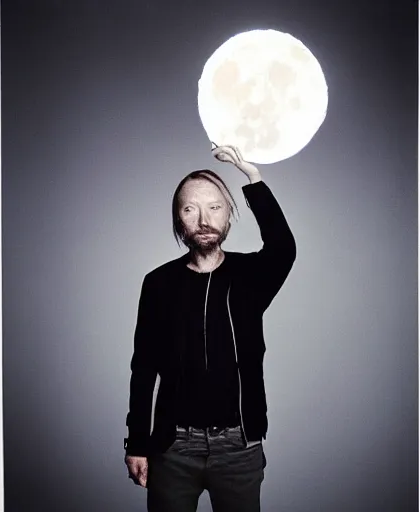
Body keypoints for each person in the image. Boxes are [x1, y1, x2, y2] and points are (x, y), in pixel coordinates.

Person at [124, 144, 296, 511]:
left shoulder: (250, 276)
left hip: (238, 446)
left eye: (214, 207)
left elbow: (283, 247)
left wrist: (253, 178)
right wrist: (137, 442)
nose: (203, 219)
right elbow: (143, 368)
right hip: (173, 447)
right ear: (178, 221)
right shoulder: (158, 283)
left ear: (229, 216)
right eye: (191, 209)